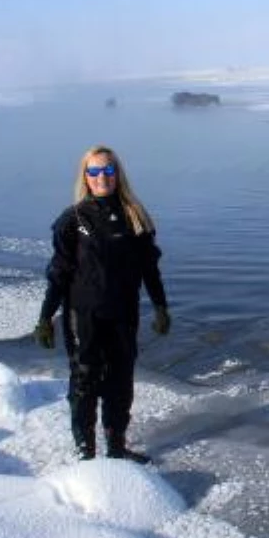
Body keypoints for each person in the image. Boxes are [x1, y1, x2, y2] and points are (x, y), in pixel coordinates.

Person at [34, 145, 171, 462]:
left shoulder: (135, 217)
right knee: (84, 380)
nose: (101, 177)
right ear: (85, 176)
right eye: (94, 171)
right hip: (83, 315)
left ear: (117, 174)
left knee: (120, 381)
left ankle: (116, 446)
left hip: (123, 314)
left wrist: (160, 306)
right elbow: (58, 274)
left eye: (108, 170)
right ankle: (86, 451)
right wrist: (45, 318)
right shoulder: (73, 220)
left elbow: (149, 268)